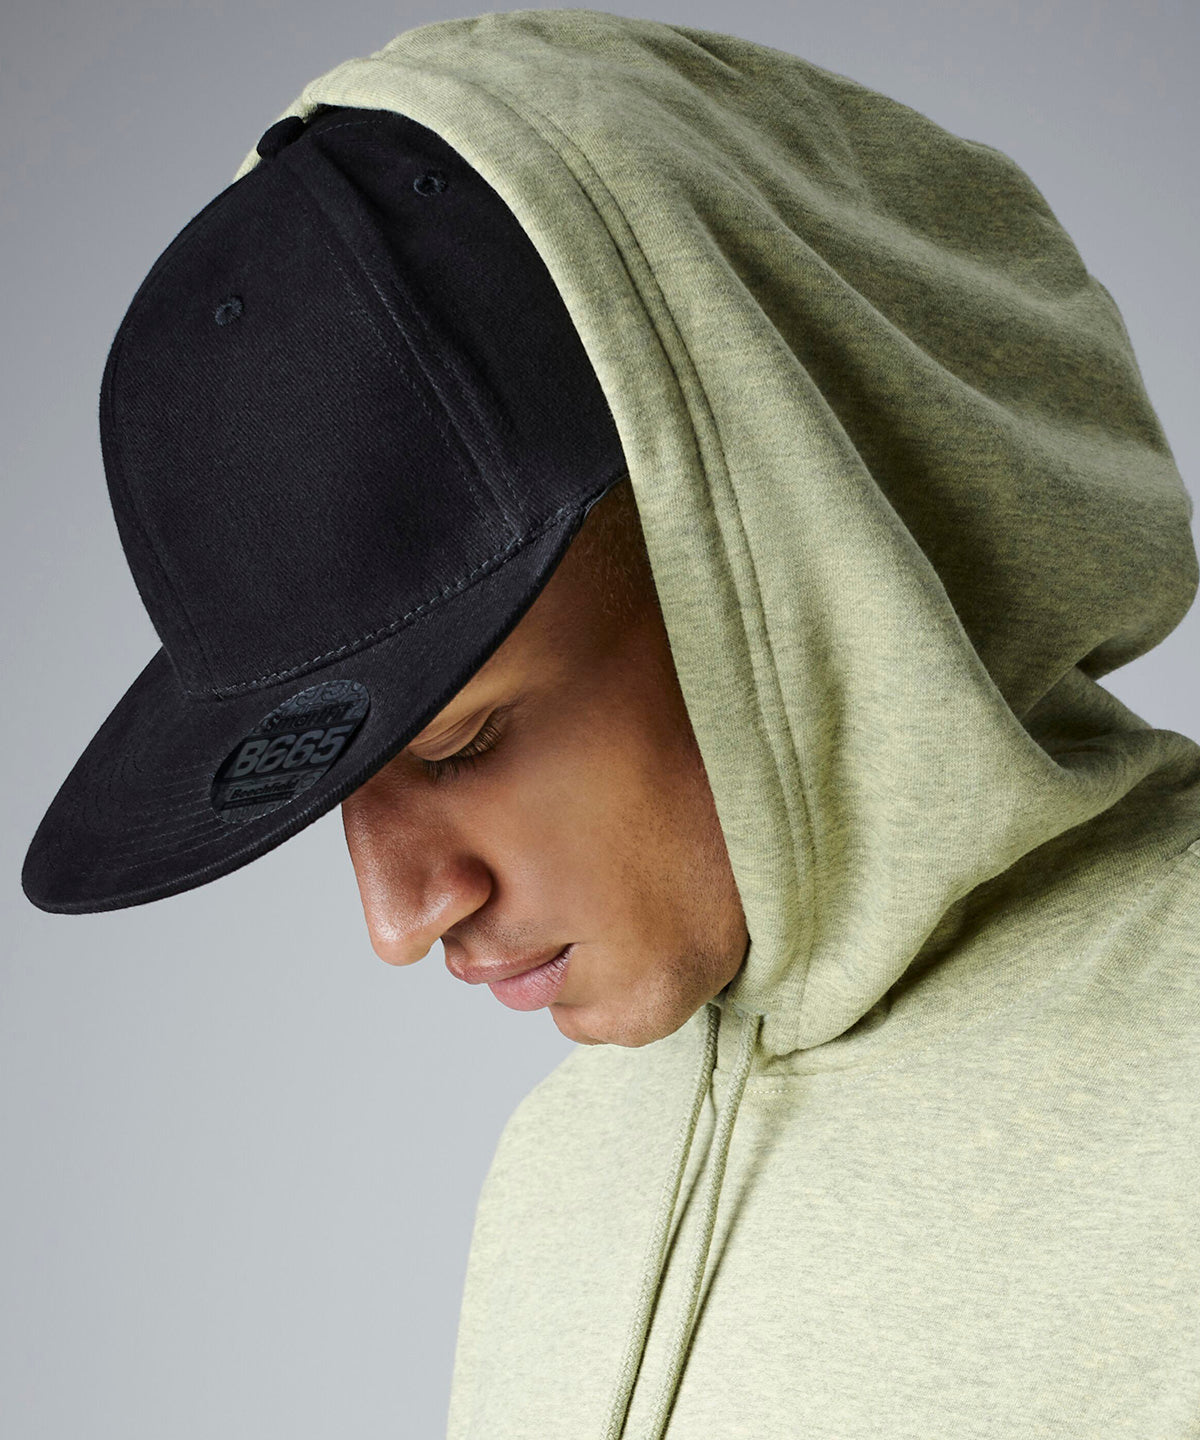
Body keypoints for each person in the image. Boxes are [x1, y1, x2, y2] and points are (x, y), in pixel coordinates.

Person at [22, 10, 1200, 1439]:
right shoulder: (563, 1180)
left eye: (460, 744)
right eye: (339, 789)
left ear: (773, 548)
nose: (397, 917)